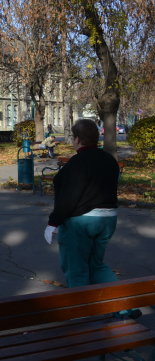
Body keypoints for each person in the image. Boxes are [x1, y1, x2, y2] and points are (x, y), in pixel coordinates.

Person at [45, 119, 120, 288]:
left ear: (78, 139)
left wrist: (53, 222)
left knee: (76, 269)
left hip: (81, 222)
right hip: (108, 220)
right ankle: (126, 304)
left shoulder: (78, 162)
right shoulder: (109, 160)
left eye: (73, 137)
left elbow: (69, 196)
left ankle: (81, 313)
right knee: (96, 266)